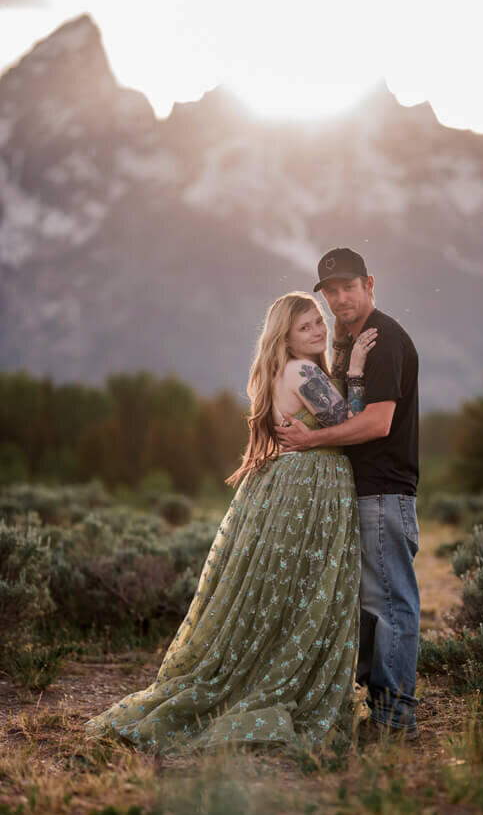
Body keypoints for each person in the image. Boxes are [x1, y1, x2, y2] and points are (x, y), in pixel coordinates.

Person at [84, 292, 377, 753]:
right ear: (285, 337)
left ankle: (265, 673)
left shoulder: (287, 371)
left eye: (318, 322)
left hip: (290, 487)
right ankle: (281, 683)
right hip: (308, 490)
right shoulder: (303, 372)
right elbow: (352, 424)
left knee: (289, 593)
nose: (317, 331)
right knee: (304, 592)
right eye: (304, 327)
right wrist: (356, 368)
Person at [276, 249, 421, 739]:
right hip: (364, 493)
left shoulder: (383, 339)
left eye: (349, 288)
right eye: (331, 292)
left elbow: (377, 423)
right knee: (370, 607)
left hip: (383, 490)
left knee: (391, 605)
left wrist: (311, 440)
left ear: (369, 284)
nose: (340, 299)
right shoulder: (354, 340)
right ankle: (379, 709)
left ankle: (395, 719)